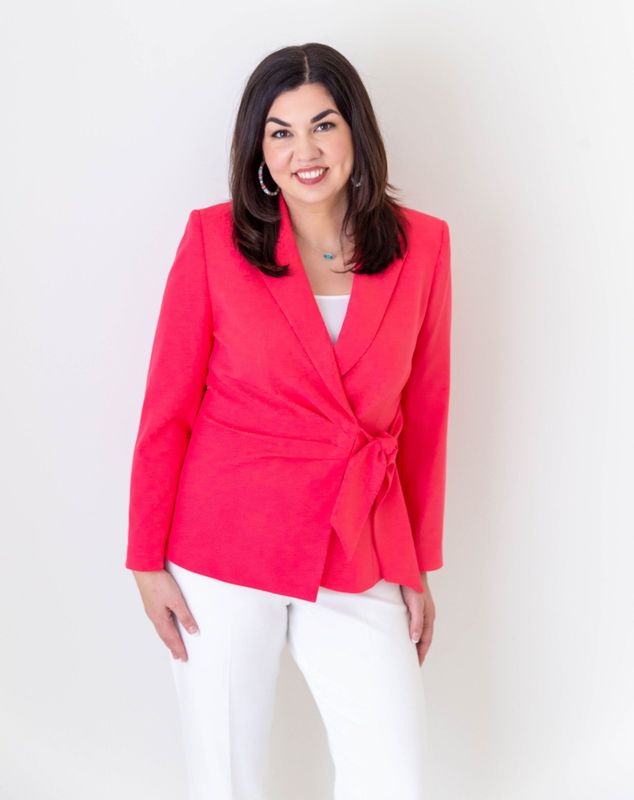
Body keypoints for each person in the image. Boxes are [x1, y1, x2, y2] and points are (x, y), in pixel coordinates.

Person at [126, 42, 452, 800]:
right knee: (227, 775)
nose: (305, 151)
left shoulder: (424, 245)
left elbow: (426, 414)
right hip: (226, 539)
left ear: (356, 134)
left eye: (323, 125)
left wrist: (414, 566)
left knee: (391, 774)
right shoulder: (214, 240)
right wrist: (147, 561)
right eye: (280, 132)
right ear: (258, 150)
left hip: (357, 536)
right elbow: (166, 408)